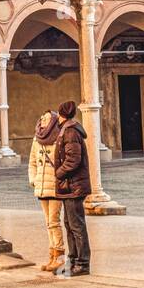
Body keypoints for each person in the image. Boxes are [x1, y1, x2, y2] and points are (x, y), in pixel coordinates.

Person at [53, 100, 92, 276]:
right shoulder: (68, 130)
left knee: (76, 225)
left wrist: (59, 173)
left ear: (61, 114)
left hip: (73, 184)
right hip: (70, 185)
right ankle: (73, 260)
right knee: (69, 224)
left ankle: (82, 263)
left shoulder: (70, 132)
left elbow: (73, 159)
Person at [29, 110, 65, 273]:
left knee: (54, 221)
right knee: (48, 223)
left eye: (47, 118)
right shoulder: (37, 139)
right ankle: (52, 255)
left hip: (55, 186)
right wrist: (34, 179)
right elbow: (32, 162)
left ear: (54, 122)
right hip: (42, 186)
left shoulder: (59, 138)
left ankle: (59, 255)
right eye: (42, 117)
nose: (43, 120)